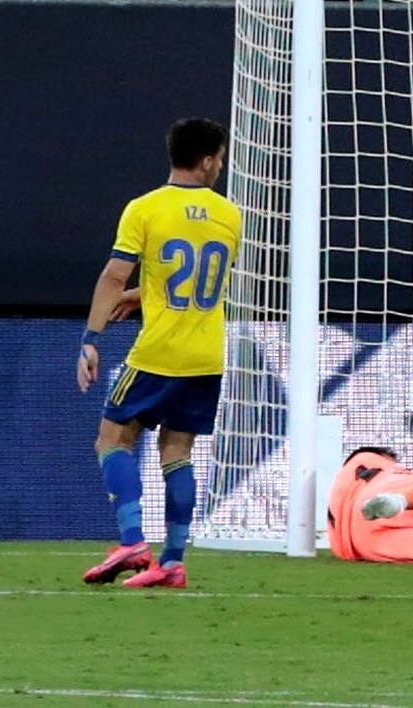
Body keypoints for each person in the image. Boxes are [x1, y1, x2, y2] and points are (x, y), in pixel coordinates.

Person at [77, 118, 240, 589]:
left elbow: (113, 276)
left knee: (112, 440)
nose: (221, 166)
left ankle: (131, 540)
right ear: (208, 160)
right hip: (206, 355)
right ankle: (171, 562)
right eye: (221, 158)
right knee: (178, 452)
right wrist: (144, 295)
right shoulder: (230, 215)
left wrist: (90, 337)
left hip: (158, 352)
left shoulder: (145, 209)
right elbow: (191, 278)